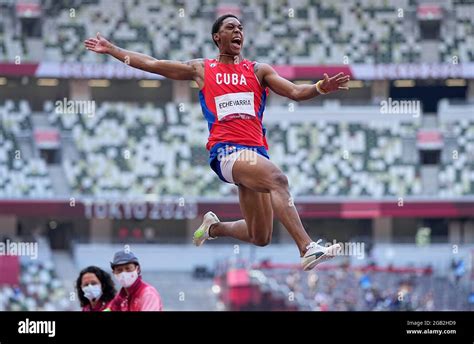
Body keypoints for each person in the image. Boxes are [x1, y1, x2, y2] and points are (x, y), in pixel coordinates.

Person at [84, 14, 349, 271]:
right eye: (231, 27)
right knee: (278, 180)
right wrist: (112, 49)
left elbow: (293, 91)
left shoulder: (259, 71)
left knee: (261, 236)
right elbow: (152, 63)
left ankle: (213, 228)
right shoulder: (203, 69)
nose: (238, 32)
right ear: (216, 36)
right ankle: (306, 248)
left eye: (241, 28)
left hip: (256, 154)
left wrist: (319, 88)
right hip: (227, 152)